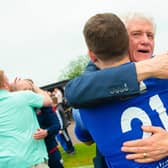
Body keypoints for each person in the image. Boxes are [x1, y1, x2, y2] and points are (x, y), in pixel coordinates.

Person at [65, 12, 168, 164]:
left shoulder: (163, 73)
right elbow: (74, 93)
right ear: (121, 39)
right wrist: (142, 69)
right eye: (136, 34)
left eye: (150, 35)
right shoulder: (90, 88)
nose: (145, 41)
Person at [0, 70, 52, 168]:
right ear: (5, 83)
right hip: (31, 159)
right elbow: (48, 100)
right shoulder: (24, 96)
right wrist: (32, 85)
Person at [11, 79, 64, 168]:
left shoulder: (43, 106)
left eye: (30, 89)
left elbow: (57, 125)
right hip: (30, 157)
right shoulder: (15, 110)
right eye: (24, 90)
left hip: (50, 151)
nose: (28, 93)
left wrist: (46, 131)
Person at [53, 87, 75, 154]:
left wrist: (61, 128)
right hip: (61, 127)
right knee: (65, 138)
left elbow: (60, 119)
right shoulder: (57, 107)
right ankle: (69, 149)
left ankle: (71, 150)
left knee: (66, 138)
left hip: (62, 127)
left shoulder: (57, 108)